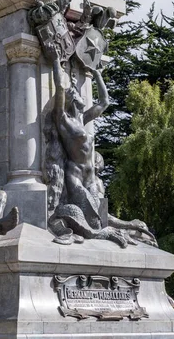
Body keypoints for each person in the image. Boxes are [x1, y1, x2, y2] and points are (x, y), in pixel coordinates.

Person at [48, 47, 156, 247]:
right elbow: (60, 89)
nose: (77, 92)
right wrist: (55, 60)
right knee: (93, 216)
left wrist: (97, 72)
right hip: (75, 176)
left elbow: (105, 102)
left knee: (101, 214)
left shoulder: (83, 118)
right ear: (71, 100)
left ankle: (127, 227)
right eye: (74, 92)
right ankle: (109, 233)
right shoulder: (63, 120)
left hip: (91, 176)